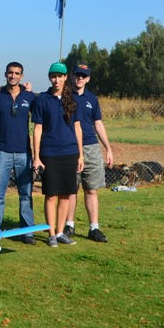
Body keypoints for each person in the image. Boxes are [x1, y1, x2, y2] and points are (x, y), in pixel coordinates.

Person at [31, 62, 84, 247]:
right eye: (53, 76)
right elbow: (37, 129)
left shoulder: (73, 100)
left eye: (60, 76)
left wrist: (80, 155)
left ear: (65, 77)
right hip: (50, 153)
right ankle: (51, 234)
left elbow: (77, 127)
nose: (56, 80)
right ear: (49, 78)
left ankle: (61, 232)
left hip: (70, 152)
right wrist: (36, 157)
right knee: (51, 195)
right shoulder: (42, 100)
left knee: (66, 195)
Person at [0, 62, 37, 243]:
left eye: (17, 73)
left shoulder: (30, 96)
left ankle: (27, 232)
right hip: (1, 152)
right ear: (5, 74)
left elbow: (42, 117)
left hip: (24, 152)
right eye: (10, 73)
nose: (13, 76)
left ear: (22, 76)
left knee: (26, 195)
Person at [66, 63, 112, 243]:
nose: (79, 78)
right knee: (71, 189)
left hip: (90, 147)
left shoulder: (92, 98)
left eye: (83, 76)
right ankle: (69, 225)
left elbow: (98, 123)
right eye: (77, 75)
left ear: (88, 79)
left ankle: (94, 228)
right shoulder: (65, 95)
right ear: (72, 76)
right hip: (70, 147)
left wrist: (108, 148)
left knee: (91, 189)